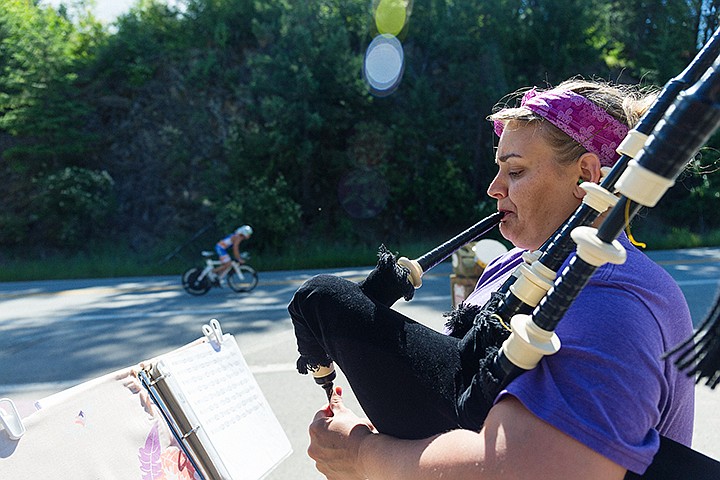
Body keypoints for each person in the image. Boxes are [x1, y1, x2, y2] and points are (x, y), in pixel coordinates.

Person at [288, 77, 695, 479]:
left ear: (587, 176)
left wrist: (363, 455)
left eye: (515, 171)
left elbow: (542, 469)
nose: (493, 188)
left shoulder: (616, 299)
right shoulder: (512, 265)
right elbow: (458, 400)